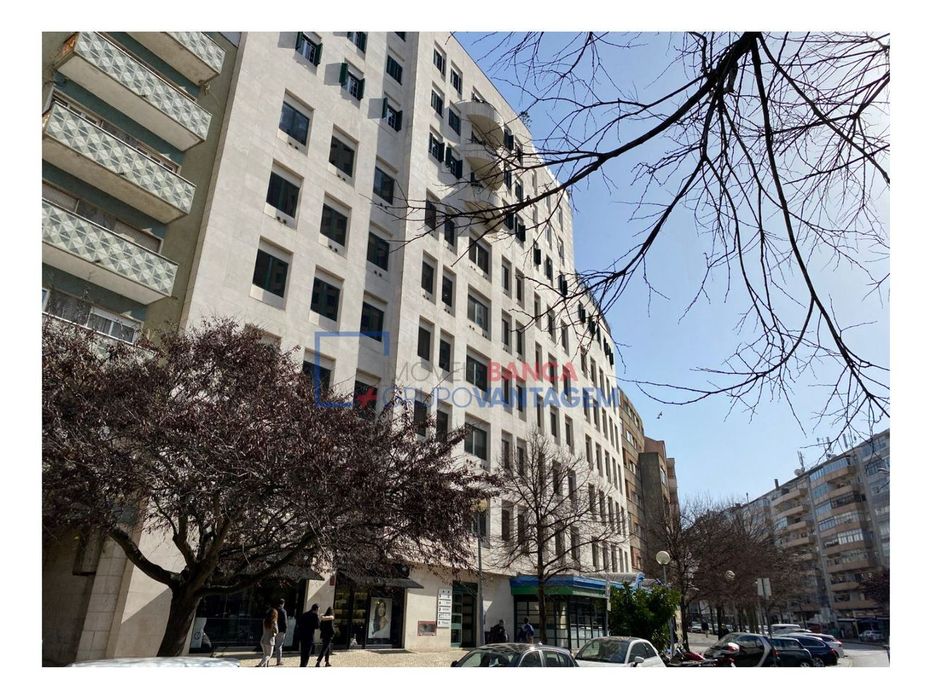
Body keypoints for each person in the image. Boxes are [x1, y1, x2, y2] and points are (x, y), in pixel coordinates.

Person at [295, 603, 320, 668]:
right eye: (318, 610)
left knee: (303, 651)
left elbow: (299, 623)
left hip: (303, 636)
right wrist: (317, 617)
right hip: (309, 636)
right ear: (316, 609)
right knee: (307, 653)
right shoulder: (315, 615)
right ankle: (304, 665)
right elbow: (317, 626)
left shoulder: (305, 614)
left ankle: (302, 664)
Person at [273, 599, 289, 666]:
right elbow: (285, 622)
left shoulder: (274, 610)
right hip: (281, 630)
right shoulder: (283, 611)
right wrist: (285, 629)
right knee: (279, 646)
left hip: (274, 629)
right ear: (283, 603)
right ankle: (278, 661)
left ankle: (268, 658)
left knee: (273, 645)